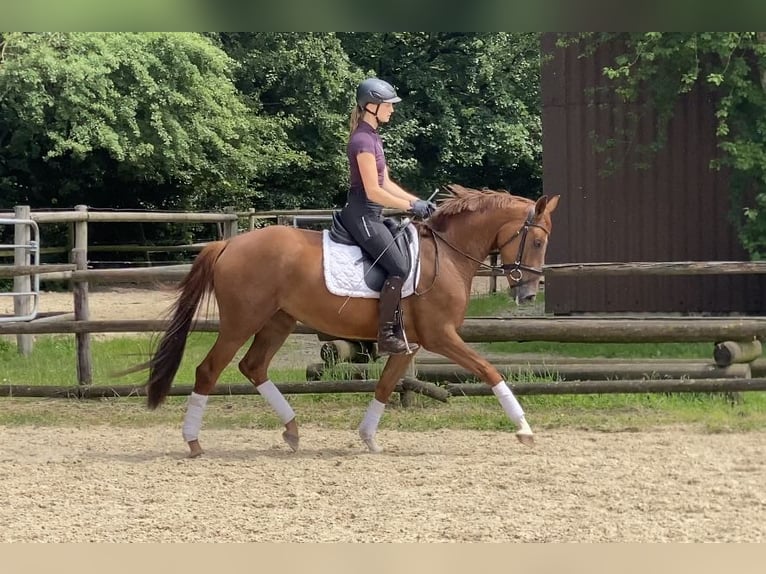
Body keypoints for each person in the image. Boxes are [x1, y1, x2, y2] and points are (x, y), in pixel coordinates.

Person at [340, 77, 436, 355]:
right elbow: (373, 191)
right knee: (398, 267)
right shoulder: (361, 140)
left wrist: (414, 200)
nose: (392, 110)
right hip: (362, 216)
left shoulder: (373, 137)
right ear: (371, 106)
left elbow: (386, 183)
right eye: (388, 105)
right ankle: (385, 335)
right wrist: (409, 208)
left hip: (372, 213)